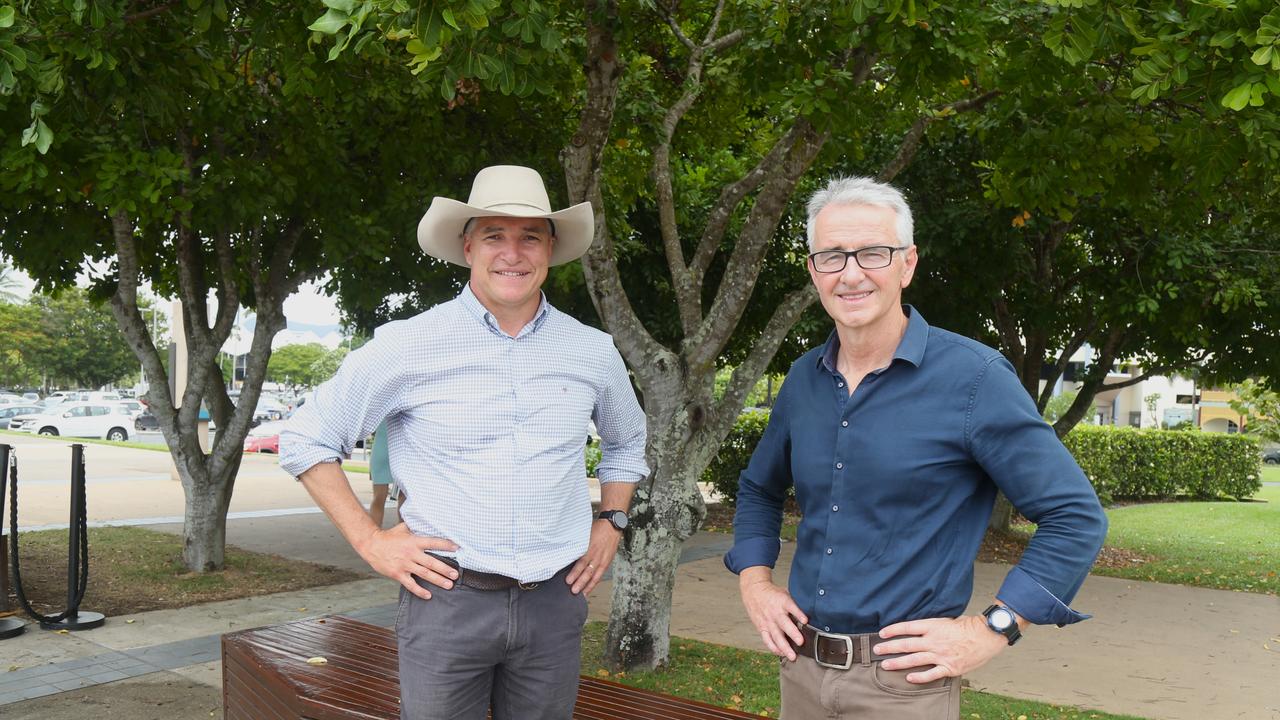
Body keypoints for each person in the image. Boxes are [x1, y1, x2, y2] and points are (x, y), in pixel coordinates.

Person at [724, 176, 1108, 719]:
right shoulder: (803, 380)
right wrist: (755, 583)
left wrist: (994, 627)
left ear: (907, 264)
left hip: (905, 688)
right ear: (813, 271)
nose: (851, 273)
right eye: (832, 256)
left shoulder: (975, 380)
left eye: (873, 253)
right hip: (801, 674)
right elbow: (758, 488)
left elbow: (1074, 516)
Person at [280, 165, 649, 720]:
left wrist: (611, 522)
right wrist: (370, 541)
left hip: (555, 601)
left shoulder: (591, 349)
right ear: (468, 244)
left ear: (551, 247)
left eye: (530, 236)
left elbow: (627, 444)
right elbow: (306, 438)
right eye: (495, 235)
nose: (513, 253)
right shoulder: (409, 344)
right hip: (447, 600)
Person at [367, 420, 392, 528]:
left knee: (378, 499)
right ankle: (408, 539)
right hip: (402, 450)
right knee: (405, 500)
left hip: (381, 448)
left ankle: (372, 537)